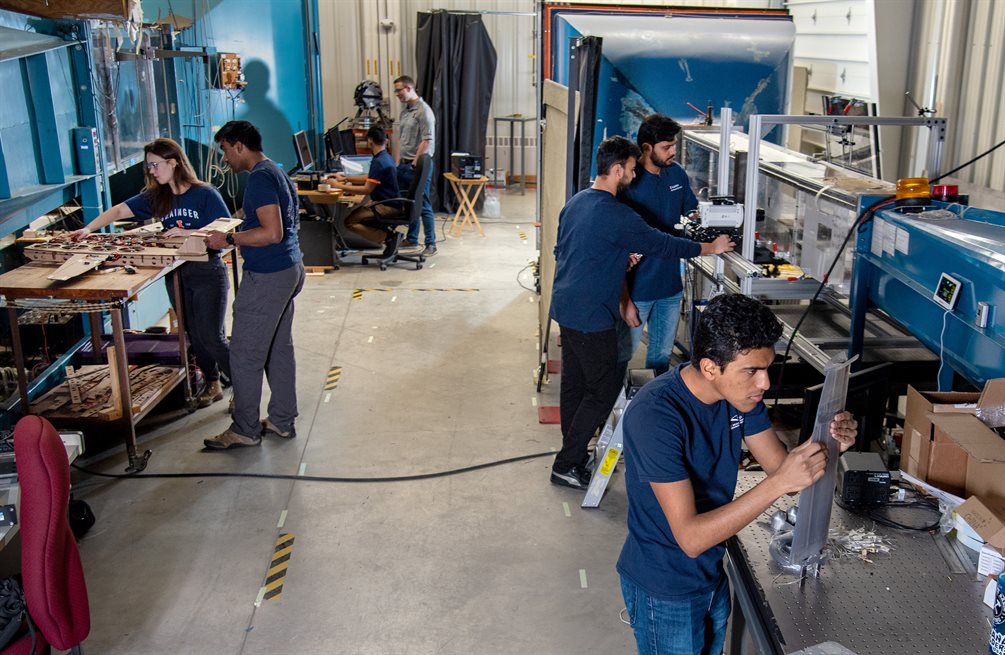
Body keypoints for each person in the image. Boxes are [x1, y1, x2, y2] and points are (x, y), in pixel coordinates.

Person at [616, 293, 859, 655]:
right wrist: (779, 482)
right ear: (711, 367)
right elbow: (691, 537)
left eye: (767, 368)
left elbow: (784, 472)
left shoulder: (741, 400)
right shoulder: (657, 416)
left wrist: (829, 444)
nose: (764, 383)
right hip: (665, 585)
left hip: (711, 572)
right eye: (751, 371)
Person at [548, 136, 734, 490]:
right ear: (617, 170)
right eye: (631, 170)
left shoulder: (576, 203)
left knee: (575, 386)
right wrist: (711, 246)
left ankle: (571, 453)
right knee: (602, 391)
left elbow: (568, 250)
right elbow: (663, 244)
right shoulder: (617, 213)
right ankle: (567, 462)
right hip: (592, 316)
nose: (633, 176)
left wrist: (617, 258)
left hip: (567, 307)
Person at [71, 137, 231, 409]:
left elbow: (228, 230)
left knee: (211, 335)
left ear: (173, 162)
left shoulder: (205, 194)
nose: (152, 172)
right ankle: (213, 382)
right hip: (177, 273)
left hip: (207, 271)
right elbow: (121, 209)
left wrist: (190, 233)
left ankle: (242, 388)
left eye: (155, 165)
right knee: (193, 332)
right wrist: (89, 229)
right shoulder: (159, 196)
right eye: (149, 167)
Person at [203, 120, 306, 450]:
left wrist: (229, 238)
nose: (225, 160)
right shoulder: (274, 170)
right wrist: (243, 220)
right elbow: (278, 220)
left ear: (238, 145)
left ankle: (245, 429)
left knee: (245, 354)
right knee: (278, 348)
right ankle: (281, 420)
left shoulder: (260, 177)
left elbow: (271, 233)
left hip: (268, 277)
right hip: (289, 269)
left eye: (224, 151)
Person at [618, 114, 701, 376]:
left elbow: (691, 211)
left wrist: (701, 219)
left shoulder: (676, 174)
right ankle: (612, 411)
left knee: (661, 357)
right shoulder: (630, 181)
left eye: (674, 145)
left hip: (670, 286)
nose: (673, 152)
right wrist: (625, 300)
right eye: (666, 147)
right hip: (638, 287)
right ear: (646, 148)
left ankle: (655, 412)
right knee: (622, 355)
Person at [328, 125, 402, 256]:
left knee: (350, 222)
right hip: (391, 202)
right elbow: (370, 177)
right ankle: (388, 236)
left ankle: (388, 237)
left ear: (370, 141)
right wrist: (345, 178)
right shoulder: (385, 157)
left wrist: (339, 186)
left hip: (386, 205)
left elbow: (366, 189)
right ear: (385, 140)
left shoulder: (379, 162)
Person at [392, 75, 437, 256]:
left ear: (409, 88)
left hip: (418, 165)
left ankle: (431, 243)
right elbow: (400, 139)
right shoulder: (405, 112)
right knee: (409, 204)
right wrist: (396, 162)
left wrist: (414, 163)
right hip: (404, 164)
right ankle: (411, 238)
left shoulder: (424, 111)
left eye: (399, 90)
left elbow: (427, 140)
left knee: (423, 203)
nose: (397, 94)